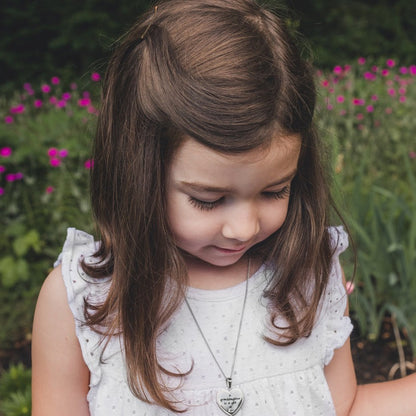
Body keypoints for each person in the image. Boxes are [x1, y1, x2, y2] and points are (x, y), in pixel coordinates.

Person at [31, 0, 416, 415]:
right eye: (208, 200)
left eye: (275, 191)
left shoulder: (306, 272)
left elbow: (342, 406)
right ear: (138, 175)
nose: (244, 227)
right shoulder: (84, 300)